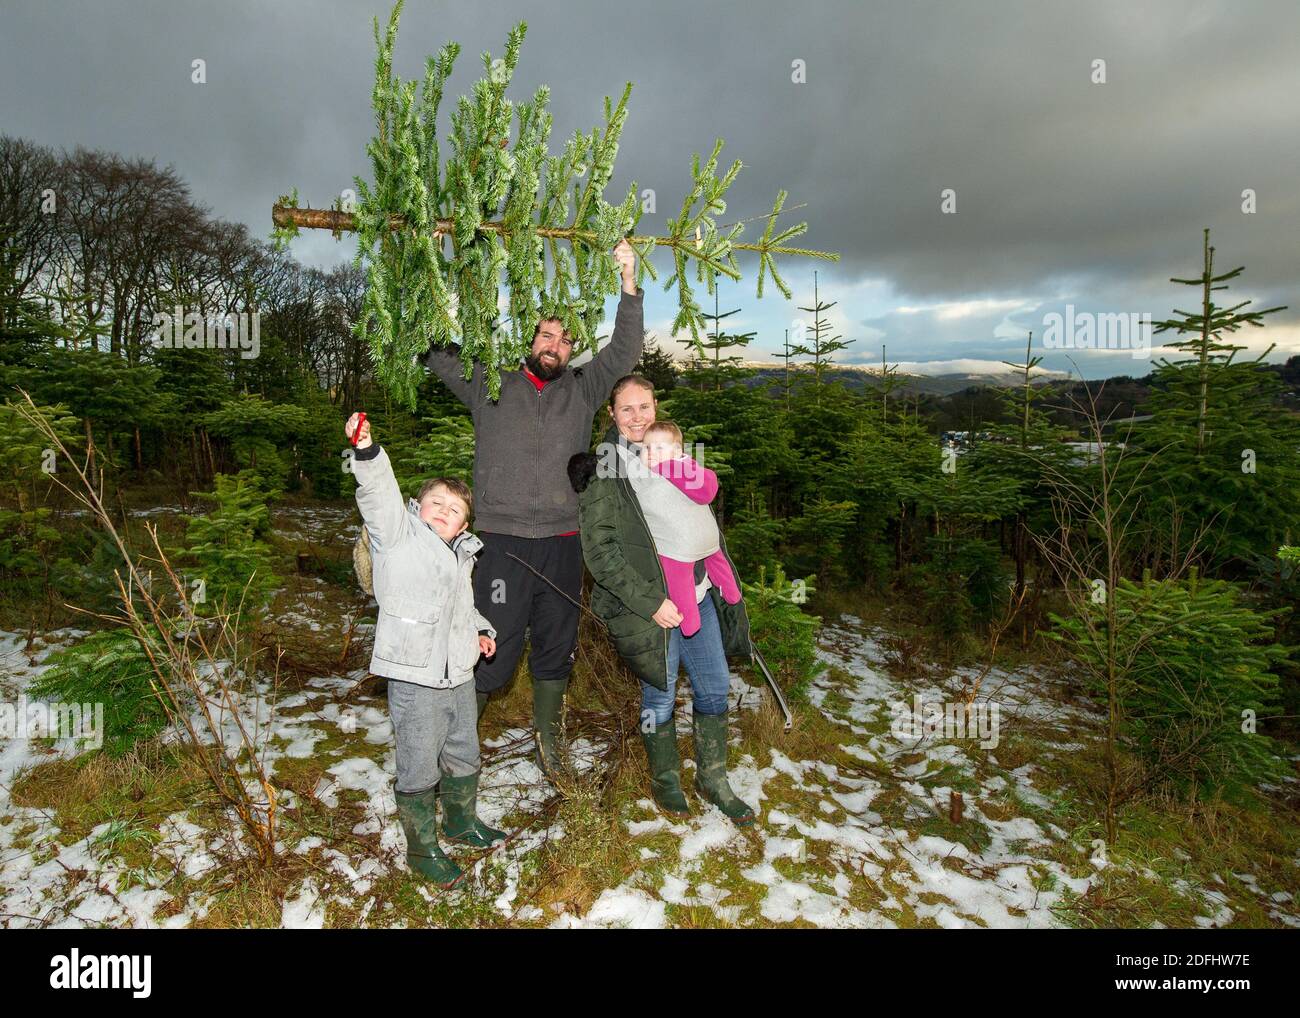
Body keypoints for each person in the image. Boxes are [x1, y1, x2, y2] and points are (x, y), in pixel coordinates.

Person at [424, 240, 643, 779]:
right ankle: (457, 755)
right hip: (502, 545)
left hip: (565, 545)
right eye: (547, 335)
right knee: (491, 650)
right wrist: (432, 264)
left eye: (566, 340)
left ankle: (549, 748)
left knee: (554, 649)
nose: (556, 345)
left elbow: (624, 351)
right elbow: (437, 352)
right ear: (530, 339)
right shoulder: (490, 385)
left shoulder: (585, 390)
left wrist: (628, 280)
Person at [568, 375, 757, 825]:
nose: (637, 417)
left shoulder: (668, 450)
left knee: (714, 687)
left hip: (699, 594)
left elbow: (697, 511)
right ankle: (665, 777)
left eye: (645, 407)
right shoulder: (604, 470)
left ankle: (713, 778)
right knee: (661, 696)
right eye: (627, 409)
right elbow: (601, 553)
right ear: (611, 414)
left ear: (656, 408)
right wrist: (650, 602)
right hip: (651, 606)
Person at [346, 411, 505, 888]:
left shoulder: (462, 554)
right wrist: (368, 451)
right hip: (415, 678)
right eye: (436, 502)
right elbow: (378, 495)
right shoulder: (397, 537)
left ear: (464, 524)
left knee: (464, 751)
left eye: (455, 509)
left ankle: (460, 822)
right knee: (418, 761)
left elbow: (464, 606)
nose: (444, 511)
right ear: (417, 505)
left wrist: (481, 631)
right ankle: (421, 848)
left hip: (459, 674)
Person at [635, 419, 743, 637]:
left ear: (676, 451)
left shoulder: (676, 467)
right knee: (718, 563)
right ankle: (732, 594)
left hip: (681, 546)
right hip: (708, 539)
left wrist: (666, 466)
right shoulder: (673, 467)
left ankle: (689, 623)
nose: (651, 453)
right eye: (646, 447)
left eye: (658, 447)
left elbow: (706, 488)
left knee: (678, 578)